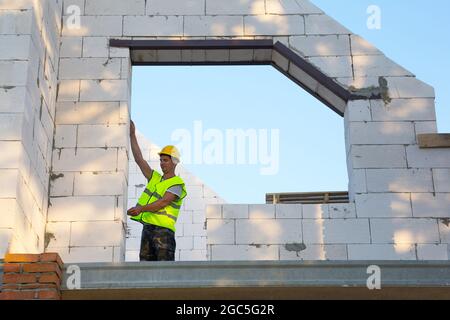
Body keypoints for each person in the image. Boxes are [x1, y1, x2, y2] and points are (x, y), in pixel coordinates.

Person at [127, 120, 187, 261]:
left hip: (164, 232)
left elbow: (163, 202)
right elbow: (139, 159)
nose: (162, 163)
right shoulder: (155, 178)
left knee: (164, 271)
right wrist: (132, 134)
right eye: (161, 160)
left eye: (165, 160)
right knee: (145, 270)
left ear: (174, 162)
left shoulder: (177, 183)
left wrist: (140, 209)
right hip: (147, 229)